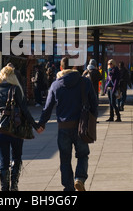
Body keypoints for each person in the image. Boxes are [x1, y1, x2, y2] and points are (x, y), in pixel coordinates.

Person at [38, 56, 98, 191]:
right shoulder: (85, 82)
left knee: (65, 159)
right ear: (74, 67)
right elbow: (94, 104)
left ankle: (68, 187)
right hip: (81, 127)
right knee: (82, 155)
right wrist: (92, 119)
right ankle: (79, 178)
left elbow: (47, 108)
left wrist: (41, 123)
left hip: (63, 128)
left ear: (60, 68)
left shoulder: (55, 85)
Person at [0, 65, 39, 191]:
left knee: (3, 162)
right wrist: (36, 126)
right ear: (12, 76)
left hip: (0, 129)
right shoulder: (16, 89)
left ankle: (4, 188)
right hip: (16, 129)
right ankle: (14, 186)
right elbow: (25, 111)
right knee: (16, 158)